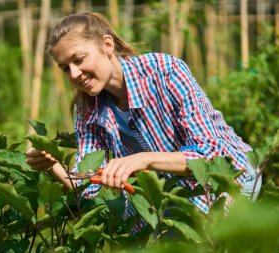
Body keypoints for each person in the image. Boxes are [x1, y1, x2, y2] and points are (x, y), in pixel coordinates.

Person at [25, 12, 261, 215]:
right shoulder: (89, 107)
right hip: (175, 195)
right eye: (65, 68)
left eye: (79, 60)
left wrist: (143, 160)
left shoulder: (165, 71)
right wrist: (53, 166)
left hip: (231, 180)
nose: (74, 74)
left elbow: (212, 156)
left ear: (107, 46)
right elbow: (89, 187)